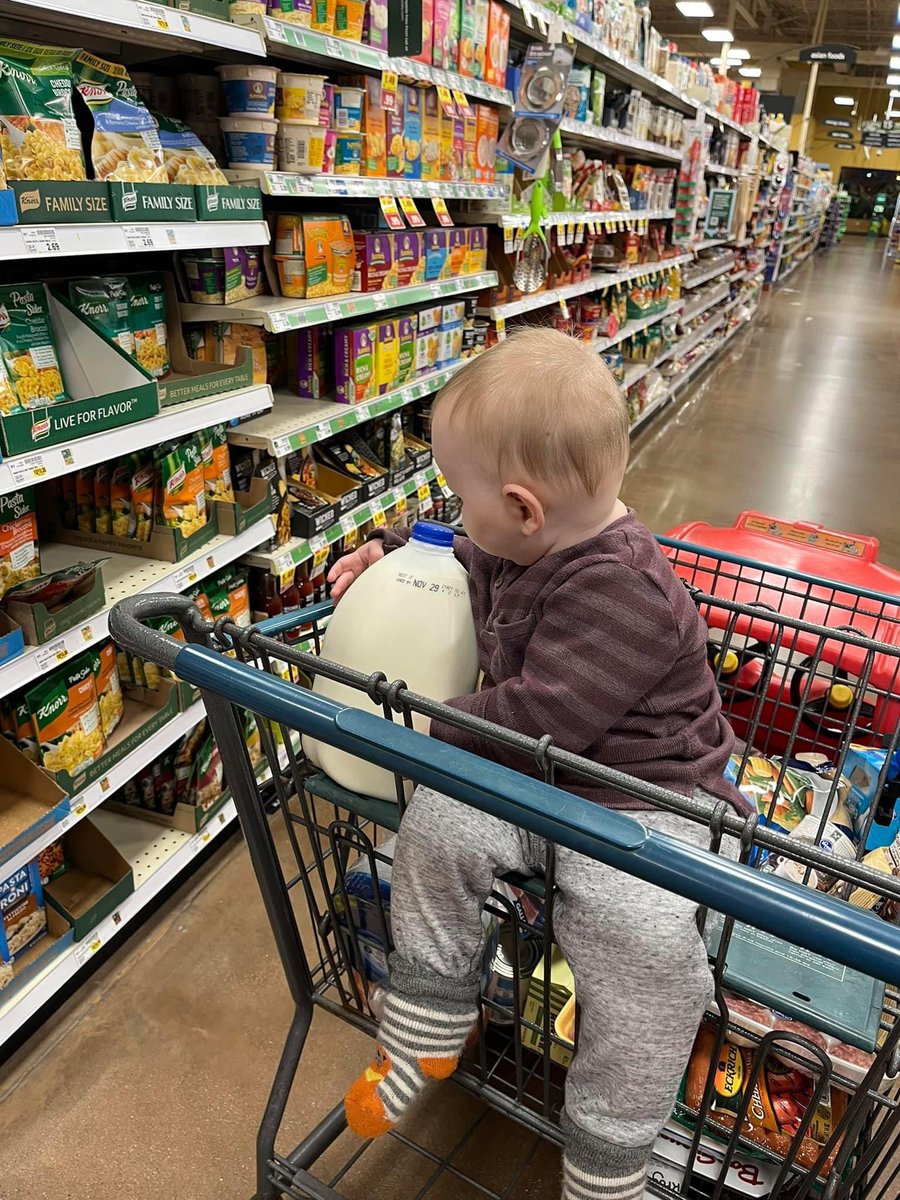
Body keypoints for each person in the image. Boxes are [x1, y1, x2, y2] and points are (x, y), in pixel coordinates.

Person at [327, 328, 749, 1200]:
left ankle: (608, 1156)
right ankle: (426, 1025)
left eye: (462, 493)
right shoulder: (530, 538)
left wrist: (420, 722)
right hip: (547, 776)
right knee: (437, 825)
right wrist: (392, 551)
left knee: (644, 953)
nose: (458, 510)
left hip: (651, 798)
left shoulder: (625, 592)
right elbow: (464, 547)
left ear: (524, 508)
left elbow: (534, 718)